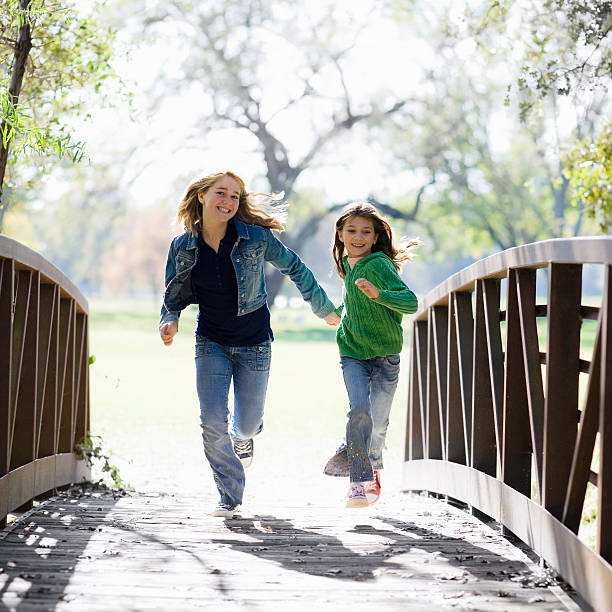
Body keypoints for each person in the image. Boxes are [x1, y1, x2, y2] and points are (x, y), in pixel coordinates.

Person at [159, 171, 340, 518]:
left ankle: (243, 438)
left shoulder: (256, 238)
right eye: (220, 193)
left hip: (254, 343)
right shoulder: (182, 245)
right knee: (212, 420)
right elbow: (173, 292)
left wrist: (323, 308)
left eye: (235, 197)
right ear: (202, 196)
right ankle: (230, 496)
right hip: (210, 341)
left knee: (245, 424)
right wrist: (170, 319)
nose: (227, 202)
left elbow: (296, 268)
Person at [324, 202, 418, 508]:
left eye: (366, 231)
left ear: (377, 236)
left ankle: (371, 465)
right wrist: (337, 313)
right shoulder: (347, 265)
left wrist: (380, 295)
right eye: (351, 230)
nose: (358, 236)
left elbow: (410, 302)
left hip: (385, 356)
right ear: (340, 233)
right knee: (359, 411)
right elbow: (353, 299)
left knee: (378, 423)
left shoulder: (379, 265)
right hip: (352, 352)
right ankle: (358, 482)